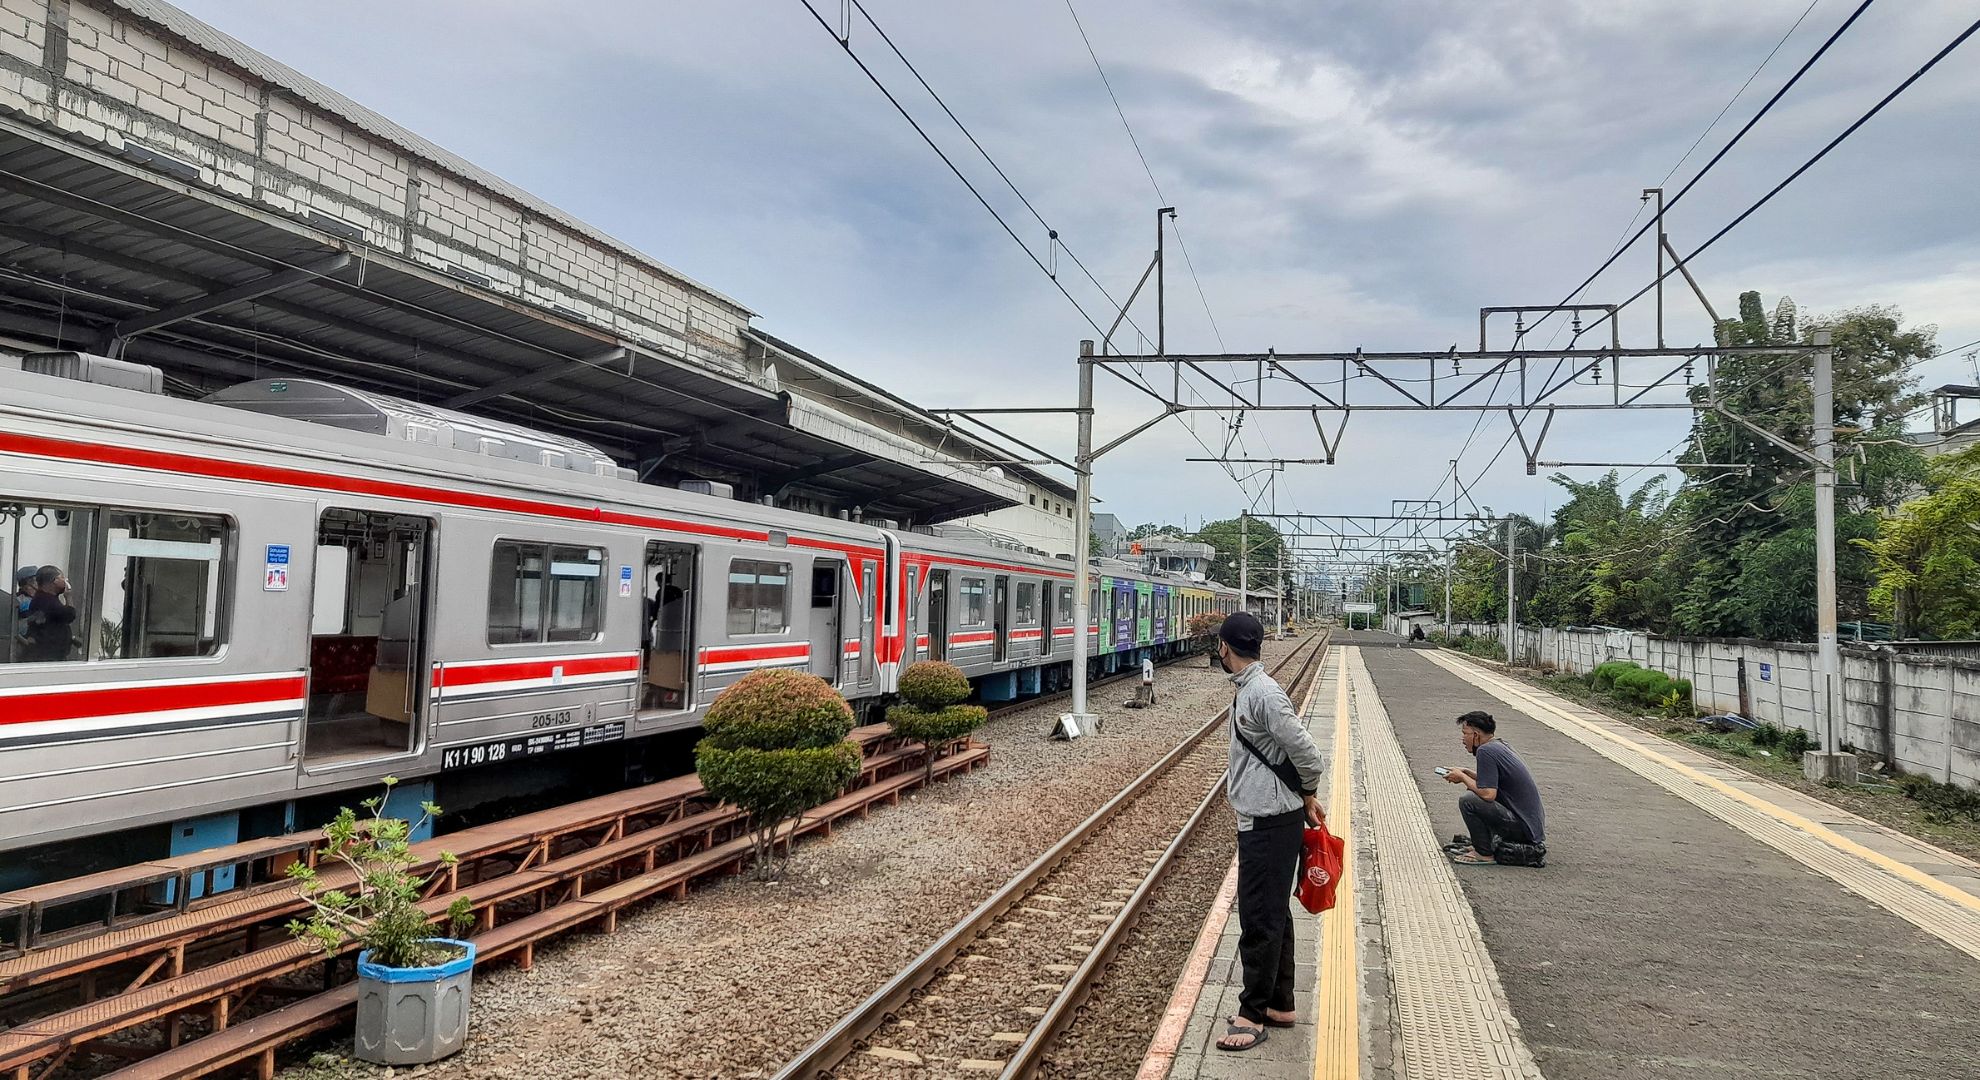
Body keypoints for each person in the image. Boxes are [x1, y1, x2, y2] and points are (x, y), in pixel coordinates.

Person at [1215, 611, 1326, 1053]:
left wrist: (1310, 789)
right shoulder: (1253, 689)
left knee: (1258, 918)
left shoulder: (1262, 693)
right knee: (1273, 911)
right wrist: (1306, 796)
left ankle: (1253, 1013)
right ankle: (1281, 1003)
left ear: (1225, 647)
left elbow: (1307, 752)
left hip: (1269, 821)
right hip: (1269, 817)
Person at [1443, 710, 1546, 865]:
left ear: (1476, 735)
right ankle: (1483, 845)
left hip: (1523, 828)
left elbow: (1488, 794)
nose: (1462, 738)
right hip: (1530, 826)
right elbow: (1494, 781)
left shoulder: (1485, 751)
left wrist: (1463, 778)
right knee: (1475, 795)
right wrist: (1467, 773)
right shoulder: (1499, 745)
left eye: (1465, 733)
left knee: (1469, 800)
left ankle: (1483, 853)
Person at [23, 565, 77, 663]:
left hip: (48, 654)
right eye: (62, 578)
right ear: (54, 581)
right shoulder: (48, 601)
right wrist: (68, 596)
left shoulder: (42, 599)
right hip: (48, 655)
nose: (65, 581)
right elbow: (70, 615)